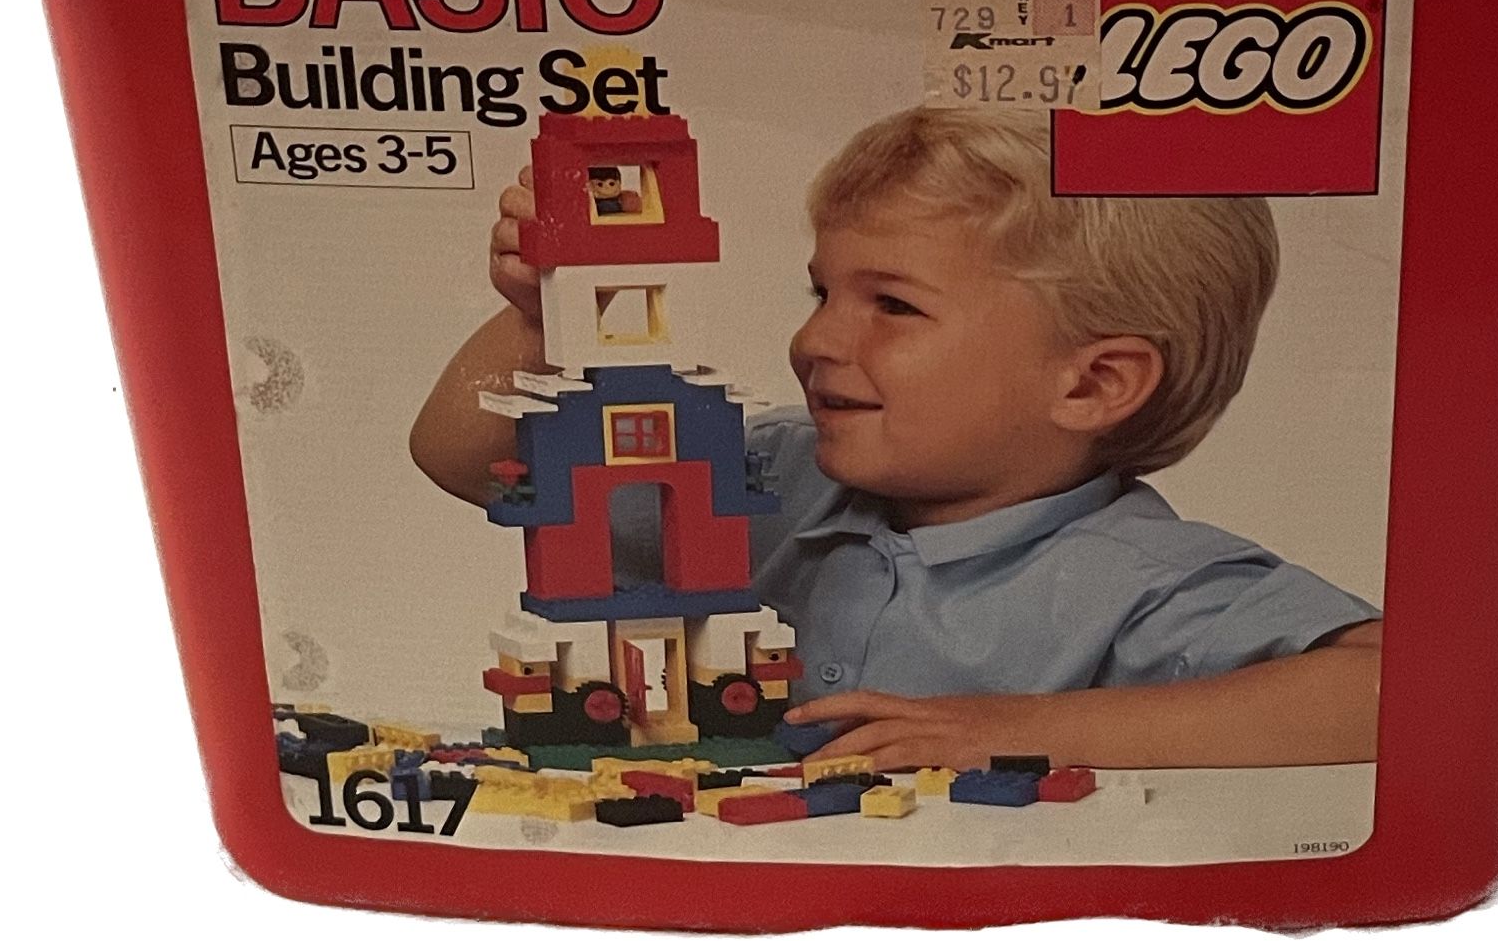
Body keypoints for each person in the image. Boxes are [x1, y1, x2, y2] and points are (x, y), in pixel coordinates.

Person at [411, 107, 1382, 772]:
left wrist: (1022, 729)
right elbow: (468, 458)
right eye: (822, 291)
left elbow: (1389, 692)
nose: (815, 339)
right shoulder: (774, 470)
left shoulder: (1141, 581)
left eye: (893, 305)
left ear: (1092, 383)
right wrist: (542, 317)